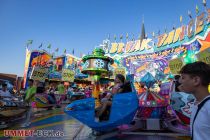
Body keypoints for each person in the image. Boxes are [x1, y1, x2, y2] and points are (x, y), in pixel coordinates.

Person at [178, 61, 210, 140]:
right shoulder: (197, 103)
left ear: (196, 80)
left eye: (183, 77)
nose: (180, 81)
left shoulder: (208, 106)